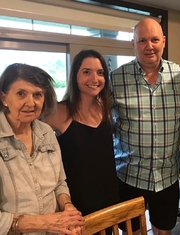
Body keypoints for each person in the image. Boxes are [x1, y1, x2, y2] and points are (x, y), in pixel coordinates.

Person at [109, 17, 180, 235]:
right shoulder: (115, 79)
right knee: (132, 232)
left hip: (166, 178)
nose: (149, 46)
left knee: (163, 231)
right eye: (142, 41)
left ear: (163, 41)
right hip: (129, 175)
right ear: (133, 44)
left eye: (154, 39)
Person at [0, 63, 85, 235]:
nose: (30, 103)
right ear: (4, 98)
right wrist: (43, 223)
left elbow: (59, 183)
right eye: (21, 93)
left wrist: (67, 207)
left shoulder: (46, 132)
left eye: (37, 94)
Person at [44, 49, 120, 234]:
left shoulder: (106, 109)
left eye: (100, 73)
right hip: (76, 199)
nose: (94, 78)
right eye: (87, 72)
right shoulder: (58, 112)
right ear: (75, 76)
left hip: (108, 194)